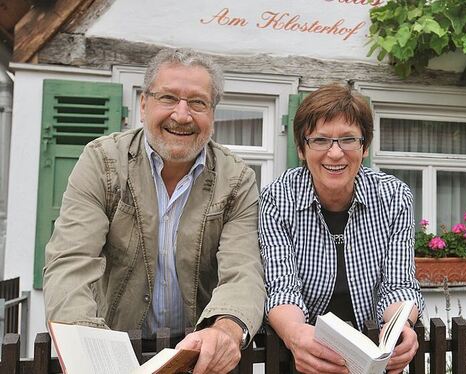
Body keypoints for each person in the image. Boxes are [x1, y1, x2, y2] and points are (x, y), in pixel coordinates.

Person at [43, 48, 265, 374]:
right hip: (115, 350)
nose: (182, 115)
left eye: (198, 103)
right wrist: (88, 346)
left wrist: (226, 330)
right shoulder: (102, 162)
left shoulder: (237, 179)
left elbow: (243, 271)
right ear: (144, 104)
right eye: (169, 98)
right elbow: (70, 261)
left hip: (198, 358)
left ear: (213, 115)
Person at [259, 83, 425, 374]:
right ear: (301, 148)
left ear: (365, 146)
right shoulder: (276, 199)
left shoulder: (394, 197)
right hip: (304, 357)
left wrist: (402, 326)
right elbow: (282, 287)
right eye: (320, 140)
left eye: (348, 139)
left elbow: (398, 284)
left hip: (372, 355)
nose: (335, 154)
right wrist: (297, 335)